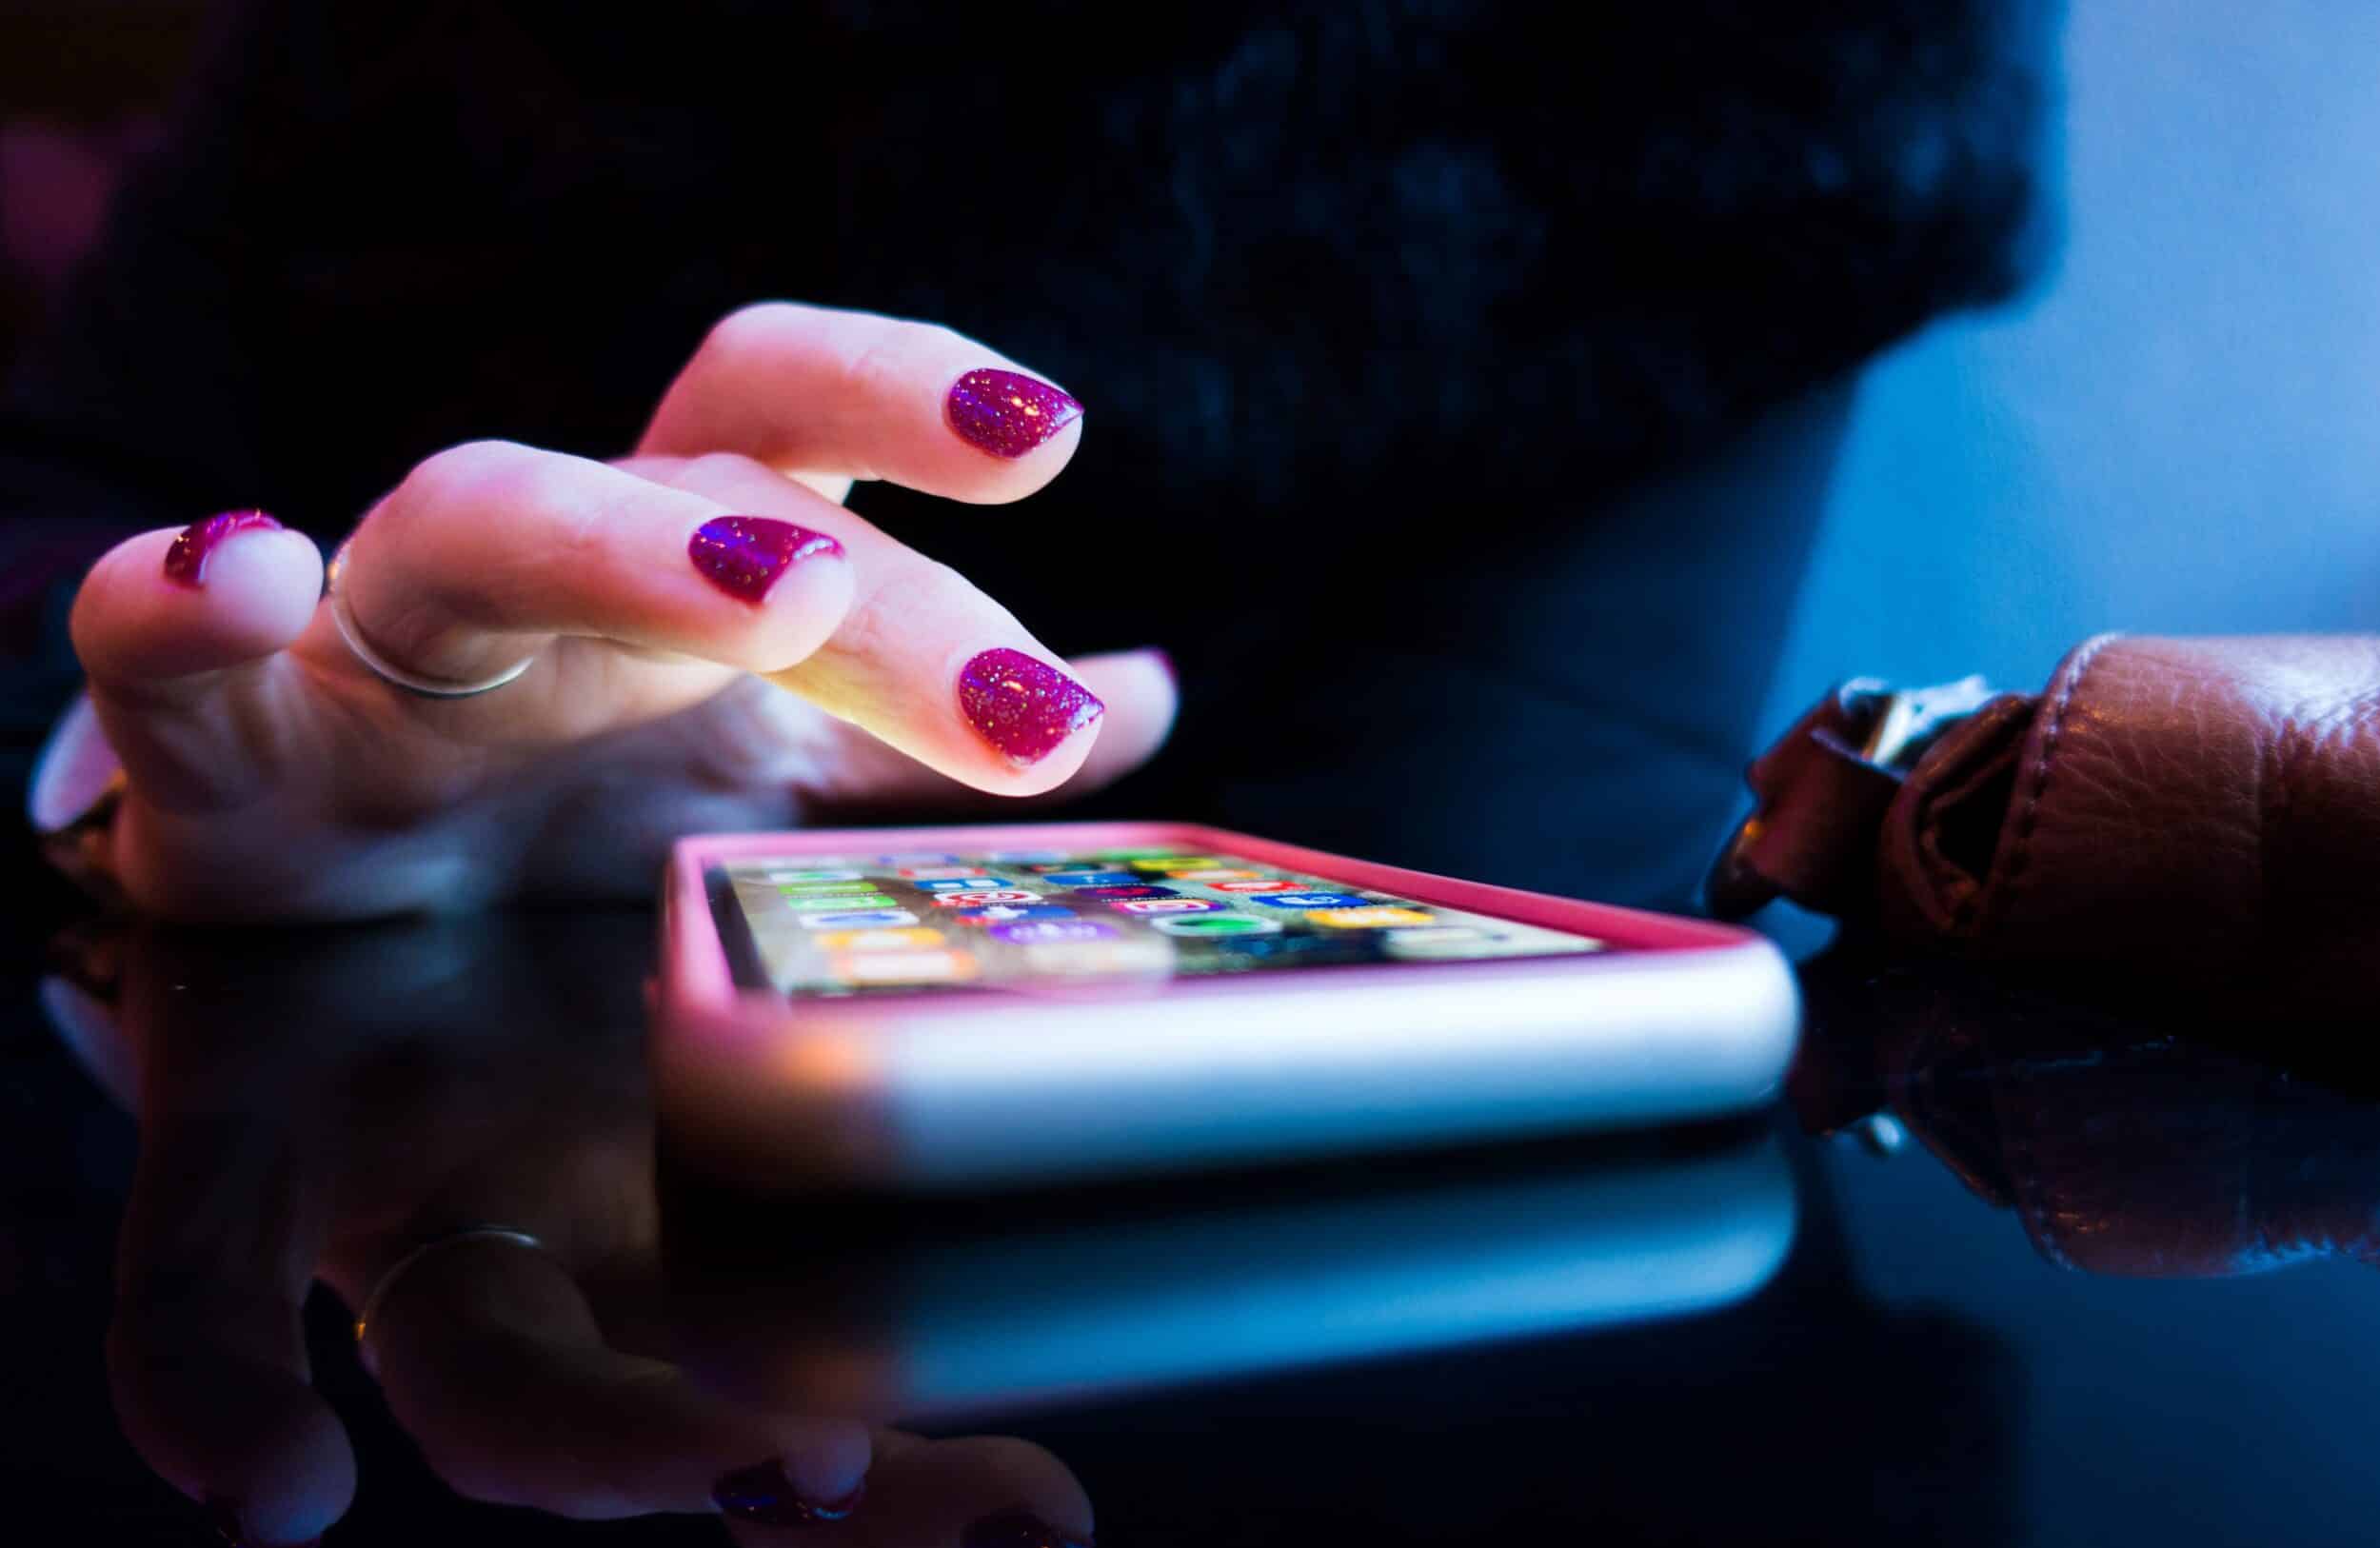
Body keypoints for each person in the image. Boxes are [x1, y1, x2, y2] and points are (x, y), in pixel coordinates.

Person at [6, 1, 2050, 920]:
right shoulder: (374, 52)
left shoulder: (1718, 100)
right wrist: (128, 800)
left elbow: (1467, 903)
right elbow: (66, 504)